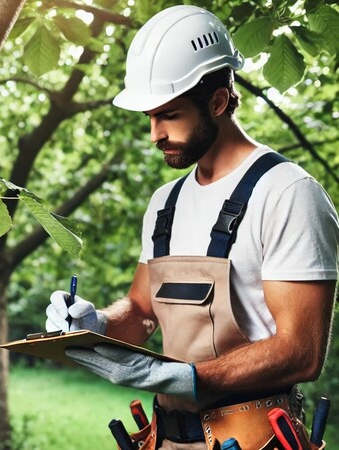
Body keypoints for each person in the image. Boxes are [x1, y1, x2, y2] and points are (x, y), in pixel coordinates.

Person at [45, 5, 338, 449]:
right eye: (149, 117)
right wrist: (98, 324)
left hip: (254, 438)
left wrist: (188, 377)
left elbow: (301, 351)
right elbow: (143, 312)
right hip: (165, 439)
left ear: (218, 102)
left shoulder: (287, 192)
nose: (154, 134)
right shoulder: (166, 203)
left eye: (169, 115)